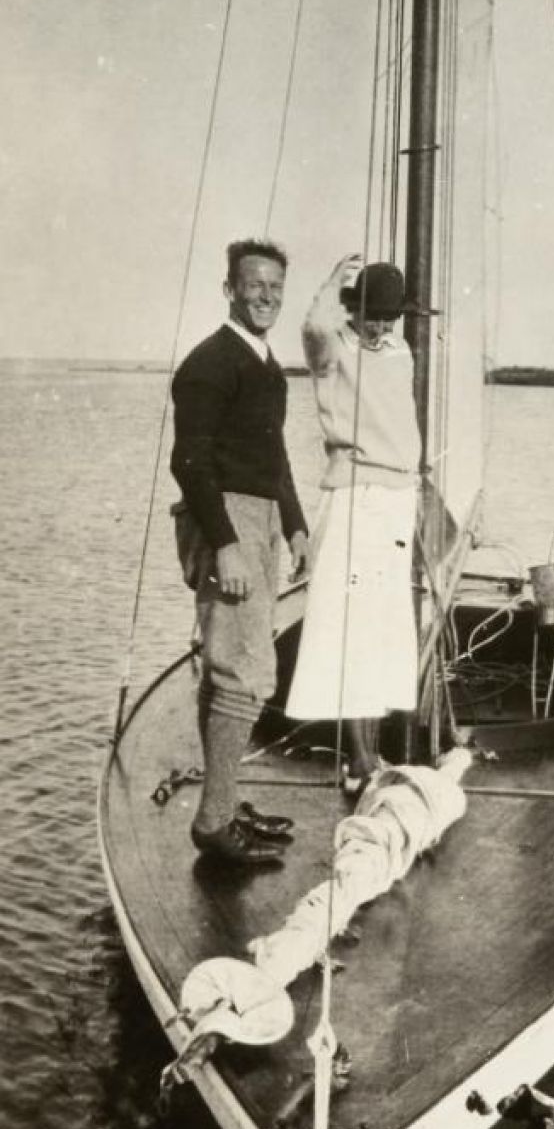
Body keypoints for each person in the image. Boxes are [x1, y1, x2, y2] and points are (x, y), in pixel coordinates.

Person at [170, 238, 309, 864]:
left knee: (231, 666)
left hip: (258, 522)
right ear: (230, 288)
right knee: (246, 674)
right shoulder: (211, 362)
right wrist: (225, 545)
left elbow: (273, 458)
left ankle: (223, 803)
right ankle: (214, 821)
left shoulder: (264, 363)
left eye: (276, 288)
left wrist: (297, 525)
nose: (266, 297)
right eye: (254, 285)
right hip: (226, 523)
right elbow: (189, 462)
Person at [285, 256, 421, 790]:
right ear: (355, 308)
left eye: (389, 318)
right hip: (355, 493)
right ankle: (359, 759)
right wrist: (336, 275)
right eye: (372, 315)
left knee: (384, 627)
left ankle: (373, 756)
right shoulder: (333, 349)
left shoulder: (401, 350)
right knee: (349, 627)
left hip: (397, 497)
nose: (381, 327)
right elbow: (313, 326)